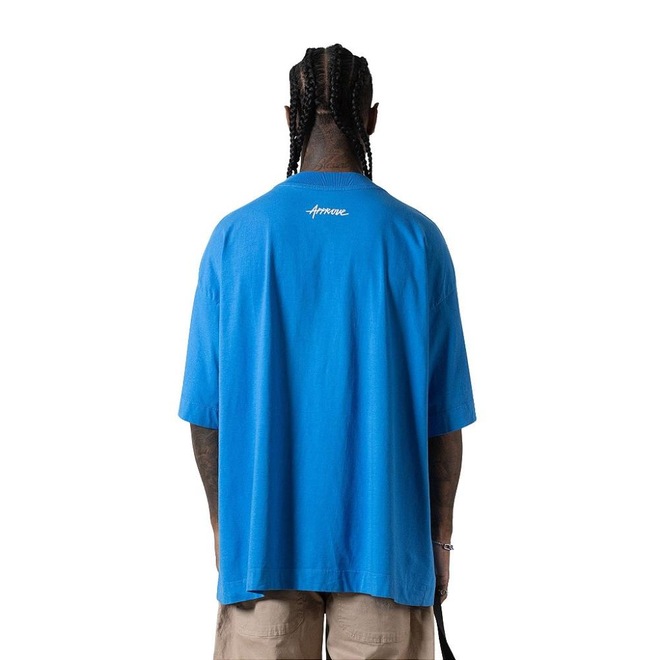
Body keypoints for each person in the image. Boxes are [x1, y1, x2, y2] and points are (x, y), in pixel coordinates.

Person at [178, 43, 476, 660]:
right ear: (371, 117)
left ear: (290, 117)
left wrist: (225, 531)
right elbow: (443, 419)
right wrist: (440, 540)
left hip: (261, 553)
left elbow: (205, 414)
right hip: (387, 556)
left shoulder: (236, 237)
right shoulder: (416, 239)